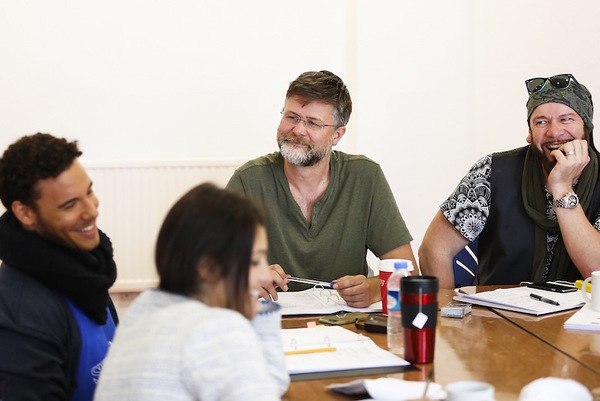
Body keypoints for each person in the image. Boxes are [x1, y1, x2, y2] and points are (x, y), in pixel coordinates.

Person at [226, 70, 417, 308]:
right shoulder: (248, 181)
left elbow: (409, 273)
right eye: (292, 117)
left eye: (313, 123)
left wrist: (373, 289)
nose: (298, 130)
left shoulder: (365, 177)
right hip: (271, 322)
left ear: (337, 135)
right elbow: (207, 270)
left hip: (347, 325)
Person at [94, 183, 289, 400]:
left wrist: (260, 312)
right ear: (207, 269)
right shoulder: (216, 328)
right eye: (254, 261)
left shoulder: (143, 309)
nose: (265, 274)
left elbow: (266, 386)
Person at [419, 74, 600, 289]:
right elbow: (434, 248)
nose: (554, 132)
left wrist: (562, 188)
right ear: (529, 134)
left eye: (566, 119)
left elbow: (595, 272)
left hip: (581, 320)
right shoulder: (492, 172)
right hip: (498, 317)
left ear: (586, 129)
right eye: (541, 122)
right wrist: (446, 314)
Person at [0, 133, 118, 400]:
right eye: (70, 205)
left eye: (88, 191)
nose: (91, 211)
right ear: (26, 213)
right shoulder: (22, 319)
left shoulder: (87, 270)